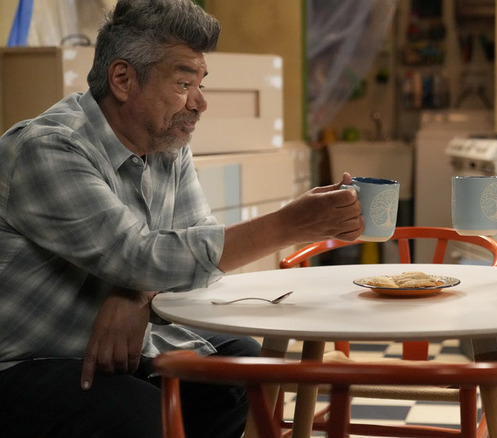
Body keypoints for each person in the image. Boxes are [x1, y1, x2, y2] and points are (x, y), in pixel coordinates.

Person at [0, 1, 363, 437]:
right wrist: (289, 224)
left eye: (200, 82)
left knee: (243, 369)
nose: (201, 102)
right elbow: (141, 256)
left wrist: (133, 295)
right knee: (144, 413)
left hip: (117, 348)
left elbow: (189, 253)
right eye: (184, 82)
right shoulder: (49, 148)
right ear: (122, 79)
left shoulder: (167, 145)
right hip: (24, 361)